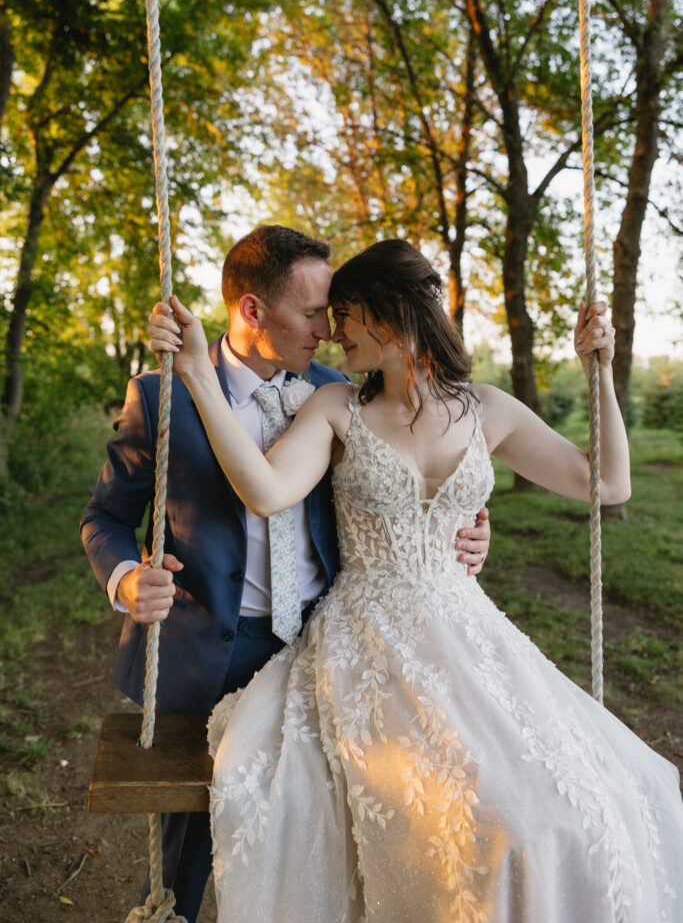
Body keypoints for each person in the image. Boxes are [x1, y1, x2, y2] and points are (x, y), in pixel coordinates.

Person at [149, 238, 682, 923]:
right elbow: (265, 490)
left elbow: (605, 482)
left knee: (574, 802)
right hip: (368, 639)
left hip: (468, 631)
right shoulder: (338, 405)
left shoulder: (486, 408)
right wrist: (196, 371)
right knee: (456, 815)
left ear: (387, 314)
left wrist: (597, 369)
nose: (331, 332)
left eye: (343, 314)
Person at [80, 225, 491, 922]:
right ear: (251, 311)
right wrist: (125, 577)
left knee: (332, 823)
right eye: (310, 314)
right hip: (207, 643)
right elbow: (104, 518)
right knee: (193, 831)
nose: (328, 331)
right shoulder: (160, 397)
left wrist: (470, 526)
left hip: (323, 644)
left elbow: (409, 474)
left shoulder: (342, 394)